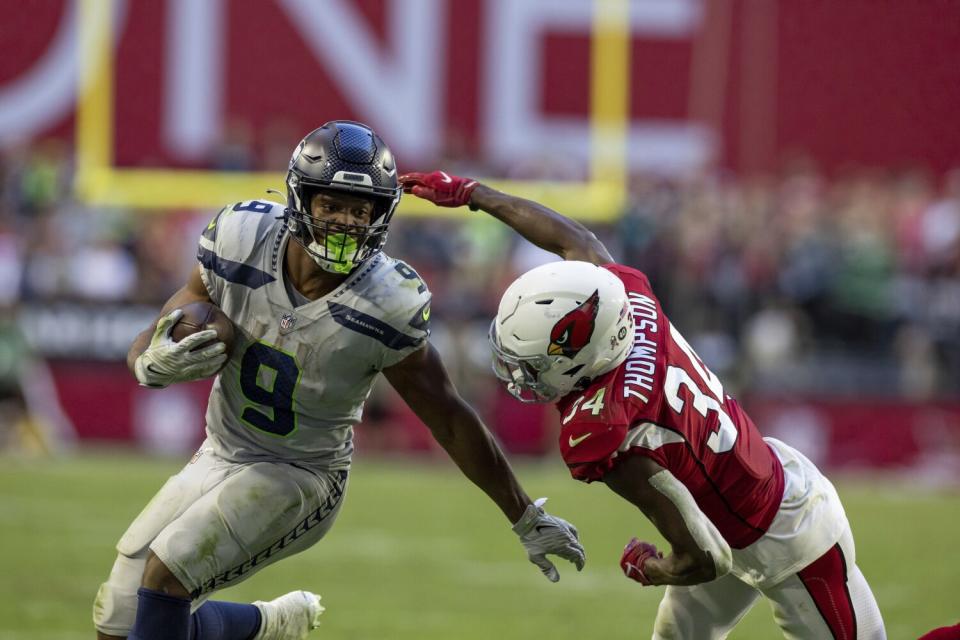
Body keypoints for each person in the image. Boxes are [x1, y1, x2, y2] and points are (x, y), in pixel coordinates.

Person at [92, 122, 585, 640]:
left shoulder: (388, 302)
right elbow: (184, 304)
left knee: (169, 574)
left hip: (302, 473)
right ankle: (262, 625)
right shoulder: (242, 237)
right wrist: (145, 359)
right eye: (332, 204)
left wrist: (523, 514)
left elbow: (449, 416)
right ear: (301, 200)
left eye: (360, 209)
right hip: (221, 451)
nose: (346, 221)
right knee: (117, 616)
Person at [401, 170, 887, 639]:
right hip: (741, 490)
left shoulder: (603, 427)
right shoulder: (627, 301)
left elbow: (702, 559)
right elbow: (575, 240)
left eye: (531, 365)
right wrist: (474, 194)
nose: (522, 378)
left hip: (786, 537)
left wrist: (651, 567)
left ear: (579, 356)